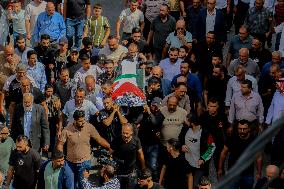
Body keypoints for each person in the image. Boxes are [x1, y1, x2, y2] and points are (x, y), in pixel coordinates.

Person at [57, 110, 111, 189]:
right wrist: (61, 158)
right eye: (80, 121)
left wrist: (110, 147)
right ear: (75, 120)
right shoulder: (66, 130)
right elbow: (60, 144)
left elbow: (99, 139)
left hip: (84, 162)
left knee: (82, 185)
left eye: (84, 120)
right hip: (69, 163)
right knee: (70, 186)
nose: (83, 123)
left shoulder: (89, 127)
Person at [218, 120, 263, 189]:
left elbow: (259, 157)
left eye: (244, 129)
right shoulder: (232, 139)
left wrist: (259, 172)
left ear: (249, 129)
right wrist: (220, 168)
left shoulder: (254, 141)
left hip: (248, 174)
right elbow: (223, 153)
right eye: (240, 129)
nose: (242, 131)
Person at [179, 113, 216, 189]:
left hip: (199, 166)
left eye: (187, 120)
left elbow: (211, 147)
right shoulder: (185, 129)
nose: (184, 121)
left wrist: (203, 158)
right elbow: (180, 140)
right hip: (187, 163)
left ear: (192, 123)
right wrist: (181, 146)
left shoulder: (205, 132)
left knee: (197, 186)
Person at [110, 123, 146, 189]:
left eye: (127, 133)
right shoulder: (116, 140)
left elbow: (140, 153)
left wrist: (143, 166)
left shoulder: (136, 141)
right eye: (123, 133)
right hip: (118, 172)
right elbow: (110, 153)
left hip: (131, 172)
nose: (125, 135)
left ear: (131, 132)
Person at [139, 98, 164, 181]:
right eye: (154, 106)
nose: (156, 108)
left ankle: (156, 183)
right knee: (143, 165)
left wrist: (149, 111)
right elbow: (137, 120)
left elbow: (155, 122)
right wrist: (144, 111)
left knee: (153, 166)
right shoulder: (145, 114)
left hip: (154, 145)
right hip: (143, 144)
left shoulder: (160, 115)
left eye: (158, 106)